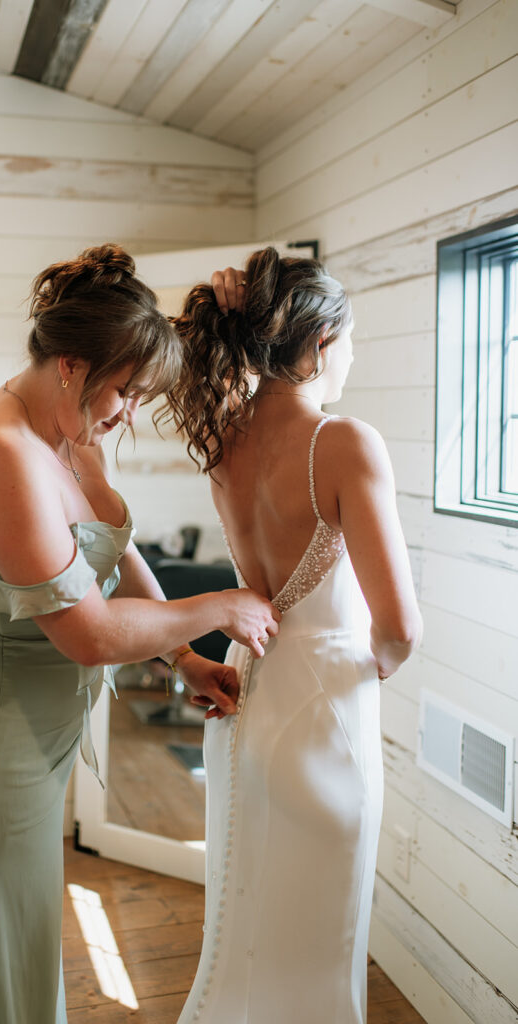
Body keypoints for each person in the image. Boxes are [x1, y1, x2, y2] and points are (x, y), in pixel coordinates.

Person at [0, 244, 280, 1024]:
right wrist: (218, 608)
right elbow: (89, 633)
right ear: (71, 365)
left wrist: (183, 657)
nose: (129, 413)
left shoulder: (57, 431)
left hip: (22, 738)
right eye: (126, 391)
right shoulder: (2, 454)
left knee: (19, 932)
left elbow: (111, 552)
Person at [164, 248, 423, 1024]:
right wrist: (365, 668)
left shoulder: (223, 441)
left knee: (244, 928)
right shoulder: (343, 444)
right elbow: (401, 628)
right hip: (325, 717)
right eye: (350, 339)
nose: (354, 356)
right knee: (320, 939)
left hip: (249, 703)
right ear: (316, 347)